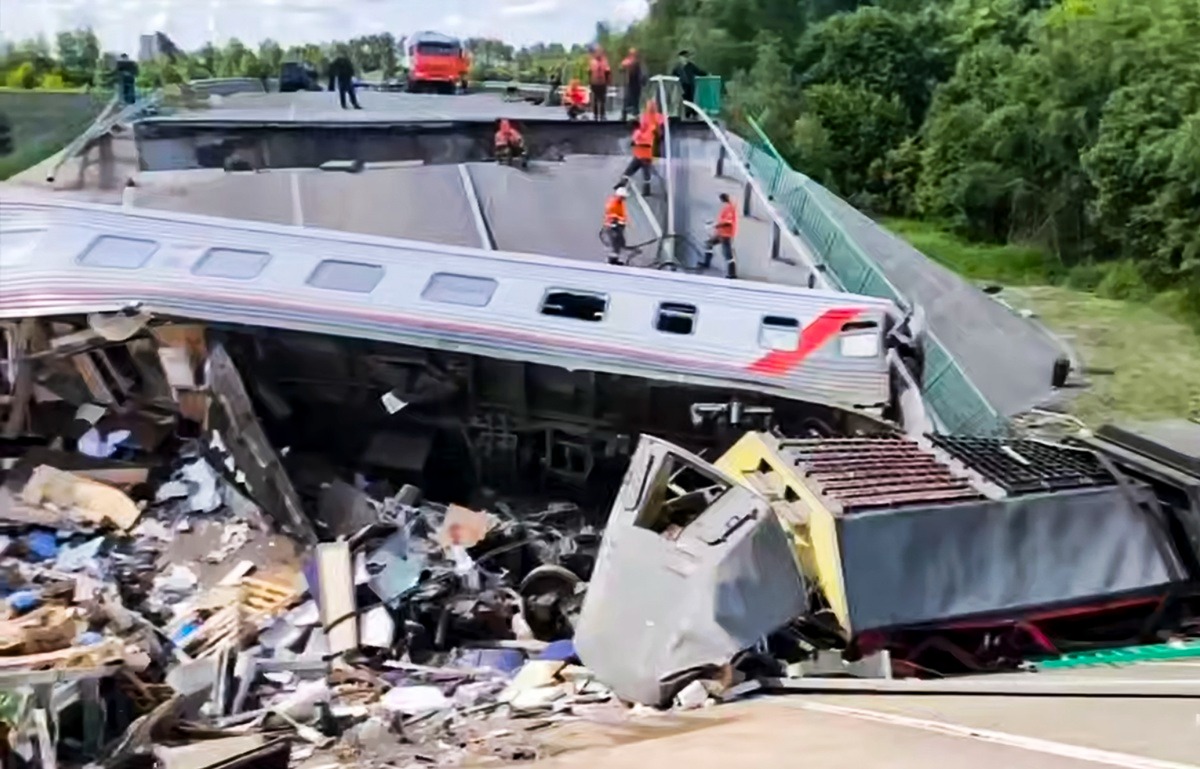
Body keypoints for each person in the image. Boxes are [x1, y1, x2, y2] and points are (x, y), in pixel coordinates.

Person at [703, 192, 738, 278]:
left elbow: (728, 223)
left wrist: (716, 225)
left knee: (728, 254)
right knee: (709, 243)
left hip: (726, 234)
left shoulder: (729, 208)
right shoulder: (726, 207)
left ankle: (732, 273)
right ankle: (706, 263)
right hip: (721, 233)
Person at [670, 50, 708, 118]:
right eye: (683, 57)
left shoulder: (691, 66)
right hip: (681, 86)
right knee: (683, 101)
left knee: (691, 100)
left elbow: (698, 71)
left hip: (690, 86)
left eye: (686, 57)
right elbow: (673, 76)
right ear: (680, 58)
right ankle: (686, 114)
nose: (685, 58)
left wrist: (707, 74)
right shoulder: (677, 68)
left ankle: (692, 113)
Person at [623, 121, 655, 196]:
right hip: (647, 156)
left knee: (628, 172)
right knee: (646, 175)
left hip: (639, 156)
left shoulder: (637, 132)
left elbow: (633, 142)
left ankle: (622, 187)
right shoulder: (649, 133)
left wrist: (634, 143)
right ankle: (647, 191)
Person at [603, 184, 630, 265]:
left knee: (619, 242)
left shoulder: (619, 203)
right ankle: (612, 259)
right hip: (613, 226)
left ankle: (615, 258)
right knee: (614, 242)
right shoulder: (614, 203)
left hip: (617, 226)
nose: (624, 199)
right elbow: (612, 214)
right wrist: (616, 221)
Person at [588, 47, 611, 121]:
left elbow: (607, 72)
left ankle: (602, 115)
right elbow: (589, 72)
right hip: (594, 82)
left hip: (602, 83)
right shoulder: (592, 61)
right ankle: (595, 115)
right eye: (597, 52)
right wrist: (590, 81)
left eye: (600, 52)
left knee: (602, 99)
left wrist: (607, 81)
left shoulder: (604, 61)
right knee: (595, 99)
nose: (598, 54)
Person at [620, 48, 644, 122]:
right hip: (630, 84)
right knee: (626, 100)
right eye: (632, 54)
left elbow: (641, 73)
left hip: (637, 84)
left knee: (636, 101)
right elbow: (622, 67)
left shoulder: (637, 62)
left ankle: (636, 116)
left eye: (635, 54)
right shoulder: (627, 61)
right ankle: (624, 116)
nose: (633, 55)